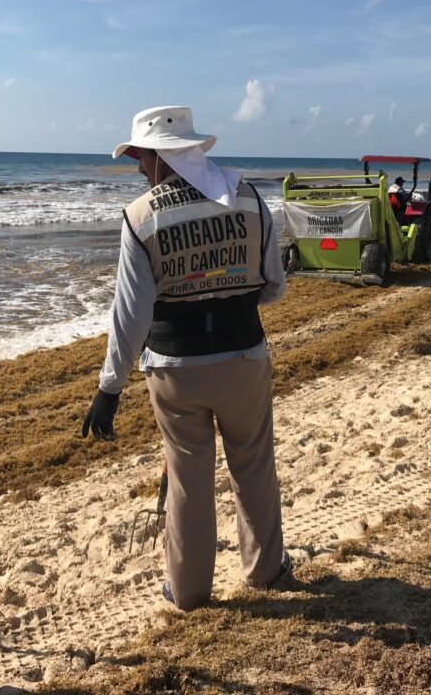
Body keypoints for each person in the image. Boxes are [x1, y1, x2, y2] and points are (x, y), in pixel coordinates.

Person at [81, 105, 290, 610]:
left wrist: (109, 388)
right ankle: (265, 572)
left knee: (189, 480)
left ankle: (190, 592)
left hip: (176, 370)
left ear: (158, 158)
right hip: (244, 356)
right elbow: (274, 286)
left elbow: (130, 315)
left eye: (138, 157)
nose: (136, 168)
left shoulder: (140, 217)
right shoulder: (249, 198)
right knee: (254, 467)